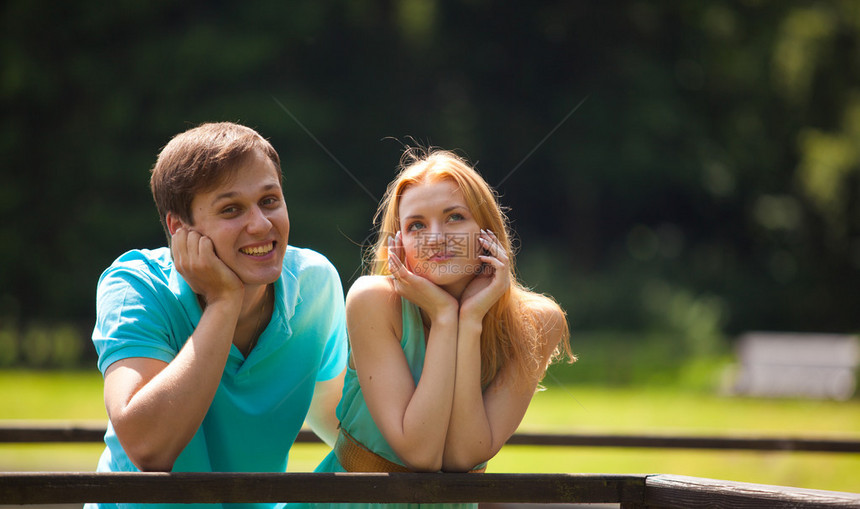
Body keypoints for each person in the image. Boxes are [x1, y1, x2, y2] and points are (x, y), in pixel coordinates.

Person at [88, 122, 348, 509]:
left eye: (270, 200)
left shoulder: (315, 283)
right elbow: (149, 448)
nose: (260, 224)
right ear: (179, 228)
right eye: (231, 209)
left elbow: (335, 417)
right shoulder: (134, 287)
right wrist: (224, 302)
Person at [299, 147, 574, 509]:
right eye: (416, 225)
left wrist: (470, 319)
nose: (436, 238)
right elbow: (420, 453)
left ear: (488, 231)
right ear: (398, 244)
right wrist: (445, 316)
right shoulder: (374, 301)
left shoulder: (537, 321)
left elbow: (464, 457)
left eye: (455, 217)